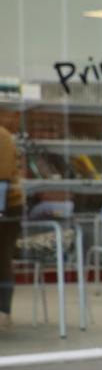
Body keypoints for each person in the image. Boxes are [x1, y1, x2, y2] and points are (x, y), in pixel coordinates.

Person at [0, 125, 23, 330]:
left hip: (8, 205)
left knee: (2, 257)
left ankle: (3, 311)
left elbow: (3, 175)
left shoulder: (3, 137)